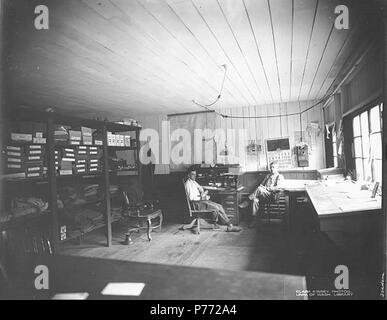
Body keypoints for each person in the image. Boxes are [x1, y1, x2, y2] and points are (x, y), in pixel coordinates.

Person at [184, 167, 241, 232]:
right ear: (188, 175)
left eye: (195, 174)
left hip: (201, 201)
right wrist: (202, 196)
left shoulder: (193, 182)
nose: (195, 176)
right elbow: (192, 198)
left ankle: (228, 224)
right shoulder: (188, 184)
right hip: (197, 204)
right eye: (192, 174)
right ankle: (228, 226)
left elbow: (200, 188)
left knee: (220, 206)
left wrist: (202, 192)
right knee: (216, 207)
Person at [241, 161, 284, 226]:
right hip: (264, 194)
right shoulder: (268, 176)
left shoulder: (279, 176)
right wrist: (263, 187)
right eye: (271, 167)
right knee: (255, 200)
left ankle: (247, 201)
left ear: (277, 168)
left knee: (259, 189)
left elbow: (279, 187)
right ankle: (254, 220)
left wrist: (268, 188)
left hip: (272, 195)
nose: (271, 169)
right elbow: (262, 184)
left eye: (273, 167)